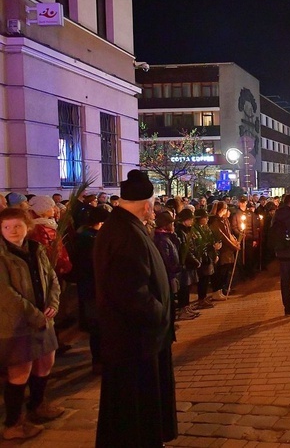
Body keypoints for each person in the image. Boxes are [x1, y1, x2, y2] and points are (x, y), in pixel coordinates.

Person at [93, 170, 177, 447]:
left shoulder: (126, 226)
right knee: (134, 406)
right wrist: (159, 314)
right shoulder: (124, 233)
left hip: (139, 338)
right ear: (147, 205)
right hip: (134, 340)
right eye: (154, 206)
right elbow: (131, 292)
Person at [0, 208, 63, 440]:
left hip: (44, 319)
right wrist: (37, 316)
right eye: (6, 227)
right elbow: (5, 294)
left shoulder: (36, 249)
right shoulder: (2, 255)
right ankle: (13, 424)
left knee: (46, 361)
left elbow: (51, 278)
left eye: (17, 226)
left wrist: (53, 303)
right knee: (20, 371)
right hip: (16, 324)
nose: (12, 231)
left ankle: (38, 406)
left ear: (28, 226)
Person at [71, 206, 110, 375]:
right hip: (93, 287)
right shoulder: (89, 240)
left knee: (99, 325)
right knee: (97, 326)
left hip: (92, 287)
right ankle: (99, 361)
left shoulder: (86, 237)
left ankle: (101, 359)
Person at [208, 201, 240, 300]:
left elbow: (228, 233)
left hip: (227, 249)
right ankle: (217, 291)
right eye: (225, 208)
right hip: (222, 249)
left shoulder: (223, 220)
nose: (226, 211)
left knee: (226, 270)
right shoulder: (215, 221)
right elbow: (222, 236)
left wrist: (235, 241)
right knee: (220, 271)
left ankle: (221, 289)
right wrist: (233, 246)